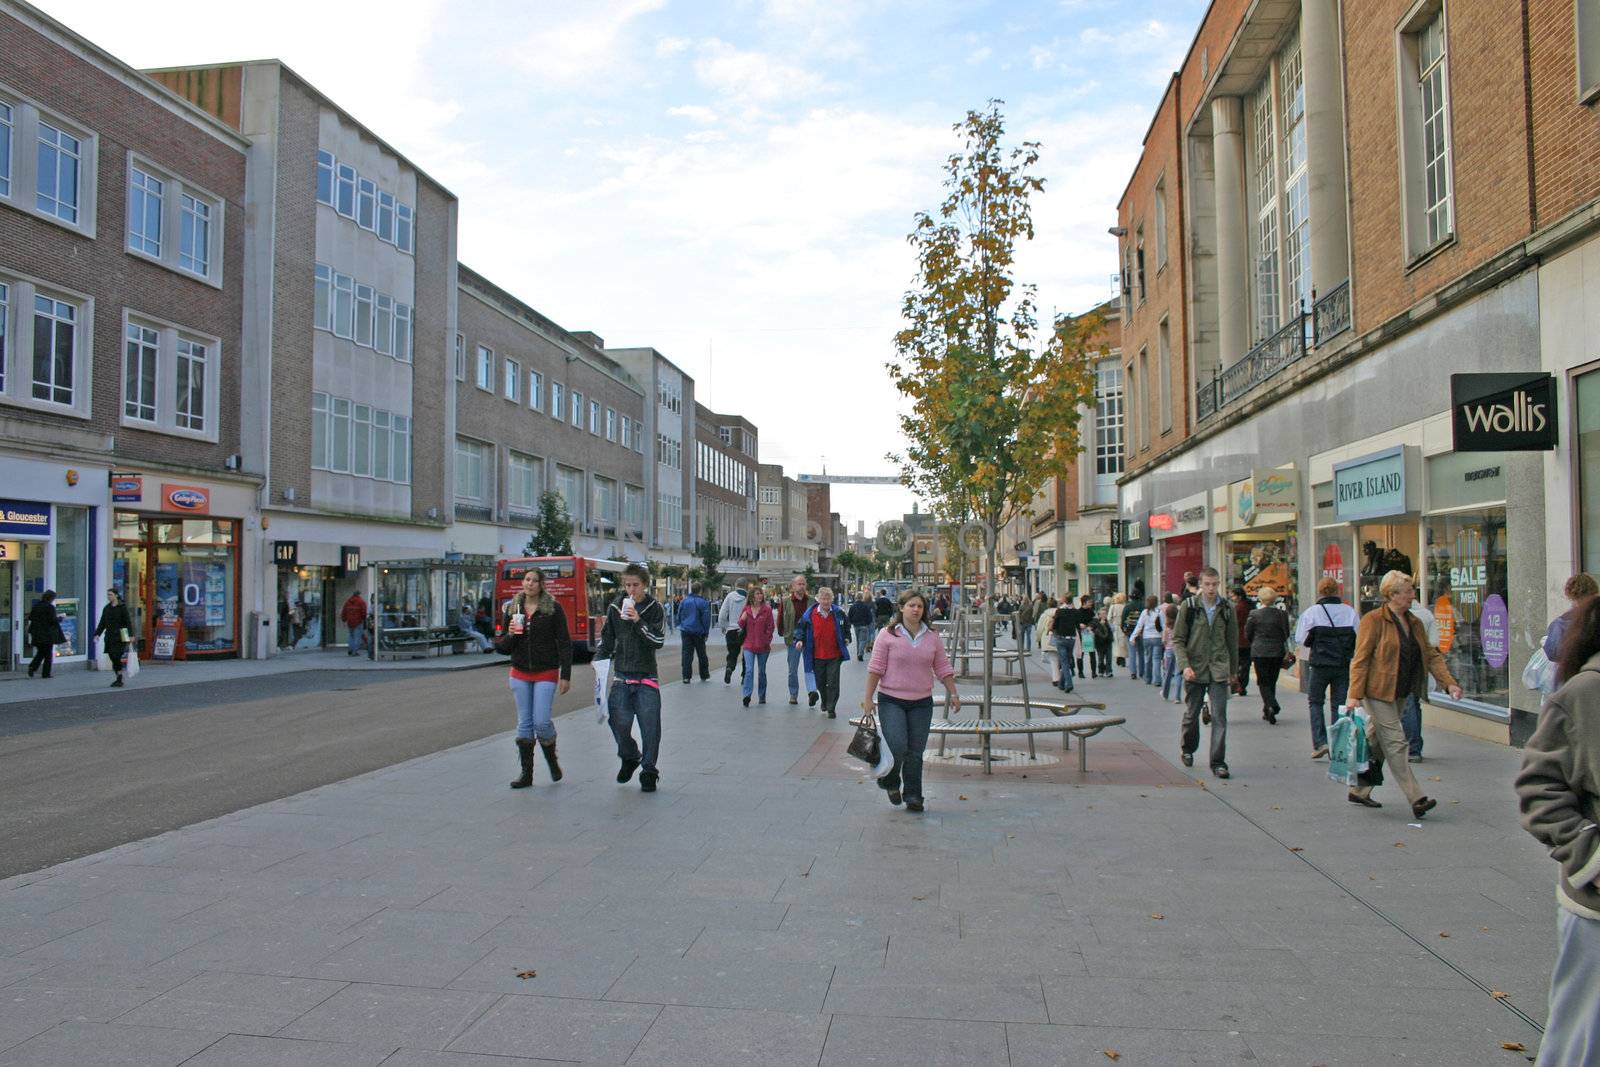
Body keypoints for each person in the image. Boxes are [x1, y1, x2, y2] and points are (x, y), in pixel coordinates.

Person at [1516, 593, 1600, 1065]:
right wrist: (1592, 858)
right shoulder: (1585, 694)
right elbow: (1539, 789)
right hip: (1597, 907)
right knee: (1582, 1038)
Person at [1344, 571, 1463, 817]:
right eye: (1408, 591)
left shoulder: (1414, 622)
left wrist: (1449, 683)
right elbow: (1361, 659)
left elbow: (1431, 655)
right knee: (1396, 742)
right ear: (1392, 595)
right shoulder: (1374, 620)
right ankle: (1416, 797)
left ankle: (1359, 790)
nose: (1412, 596)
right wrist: (1354, 694)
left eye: (1412, 591)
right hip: (1376, 691)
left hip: (1400, 691)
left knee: (1377, 740)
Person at [863, 589, 961, 813]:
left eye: (920, 606)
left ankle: (914, 795)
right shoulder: (888, 635)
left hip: (921, 702)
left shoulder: (932, 636)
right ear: (901, 608)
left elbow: (942, 667)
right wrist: (868, 699)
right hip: (891, 700)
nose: (916, 610)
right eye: (911, 605)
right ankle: (890, 781)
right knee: (898, 746)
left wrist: (953, 693)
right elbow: (875, 668)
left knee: (916, 752)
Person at [496, 568, 572, 789]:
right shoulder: (513, 608)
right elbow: (501, 647)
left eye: (534, 580)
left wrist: (565, 675)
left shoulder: (553, 609)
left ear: (541, 585)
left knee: (541, 721)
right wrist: (510, 633)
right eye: (527, 579)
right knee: (524, 723)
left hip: (546, 671)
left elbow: (564, 643)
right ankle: (526, 774)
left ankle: (551, 758)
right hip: (519, 671)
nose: (529, 584)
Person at [598, 563, 667, 792]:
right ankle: (630, 756)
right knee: (618, 721)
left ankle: (649, 770)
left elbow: (657, 641)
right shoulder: (615, 607)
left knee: (650, 727)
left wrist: (638, 620)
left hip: (646, 676)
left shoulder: (654, 608)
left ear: (645, 585)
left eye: (635, 585)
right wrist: (599, 661)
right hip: (622, 675)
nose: (631, 590)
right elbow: (607, 639)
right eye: (627, 585)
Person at [1174, 567, 1238, 779]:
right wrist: (1185, 666)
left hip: (1219, 668)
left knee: (1219, 716)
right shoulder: (1189, 606)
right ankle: (1188, 748)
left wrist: (1233, 671)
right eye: (1207, 584)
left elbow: (1232, 641)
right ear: (1200, 584)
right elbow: (1178, 639)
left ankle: (1218, 762)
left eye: (1215, 584)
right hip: (1195, 668)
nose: (1211, 588)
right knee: (1192, 714)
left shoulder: (1227, 608)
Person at [1295, 577, 1359, 759]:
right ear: (1338, 591)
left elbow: (1301, 638)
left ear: (1320, 592)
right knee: (1338, 704)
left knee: (1315, 702)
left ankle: (1320, 742)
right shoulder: (1349, 612)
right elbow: (1359, 635)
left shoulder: (1313, 612)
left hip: (1319, 664)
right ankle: (1337, 745)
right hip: (1342, 664)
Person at [797, 586, 851, 718]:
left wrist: (847, 638)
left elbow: (846, 627)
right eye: (823, 598)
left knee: (833, 681)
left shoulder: (838, 613)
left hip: (834, 655)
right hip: (816, 654)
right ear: (818, 599)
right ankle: (825, 700)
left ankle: (831, 708)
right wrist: (799, 640)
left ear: (832, 599)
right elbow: (800, 629)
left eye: (828, 598)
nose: (826, 601)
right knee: (820, 681)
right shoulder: (810, 614)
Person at [1544, 574, 1600, 689]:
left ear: (1570, 595)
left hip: (1573, 679)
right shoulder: (1594, 617)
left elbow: (1553, 653)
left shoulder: (1561, 622)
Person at [1244, 587, 1290, 724]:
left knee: (1263, 681)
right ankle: (1267, 708)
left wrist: (1255, 641)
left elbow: (1248, 633)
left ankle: (1271, 705)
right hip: (1277, 651)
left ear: (1260, 599)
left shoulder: (1254, 614)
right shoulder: (1282, 614)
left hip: (1259, 651)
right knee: (1272, 680)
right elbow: (1286, 633)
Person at [1404, 590, 1440, 762]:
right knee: (1414, 704)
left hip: (1403, 668)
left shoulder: (1405, 617)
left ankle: (1412, 747)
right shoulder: (1426, 615)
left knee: (1407, 706)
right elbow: (1433, 645)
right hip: (1420, 668)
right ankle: (1415, 745)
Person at [779, 575, 819, 707]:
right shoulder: (786, 601)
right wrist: (782, 632)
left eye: (803, 584)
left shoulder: (813, 601)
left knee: (810, 668)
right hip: (792, 640)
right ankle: (793, 694)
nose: (801, 586)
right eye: (799, 584)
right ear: (793, 586)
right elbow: (780, 618)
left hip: (809, 639)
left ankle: (812, 692)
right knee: (792, 669)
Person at [738, 583, 775, 706]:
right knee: (749, 670)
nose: (760, 595)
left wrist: (766, 640)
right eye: (757, 593)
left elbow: (770, 627)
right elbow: (740, 625)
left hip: (763, 646)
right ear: (752, 596)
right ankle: (747, 695)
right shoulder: (746, 609)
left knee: (762, 671)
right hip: (749, 645)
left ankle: (762, 695)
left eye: (761, 593)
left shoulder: (767, 609)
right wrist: (743, 619)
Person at [94, 590, 133, 688]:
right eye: (108, 595)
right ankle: (118, 674)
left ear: (116, 595)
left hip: (121, 635)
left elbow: (128, 622)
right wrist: (97, 634)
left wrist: (131, 635)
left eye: (110, 595)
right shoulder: (107, 608)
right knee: (112, 656)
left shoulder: (122, 607)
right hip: (110, 635)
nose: (109, 596)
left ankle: (119, 677)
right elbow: (102, 622)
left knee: (116, 655)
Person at [677, 582, 712, 684]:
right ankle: (704, 675)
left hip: (685, 630)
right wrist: (706, 632)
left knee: (686, 654)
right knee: (701, 654)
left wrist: (681, 624)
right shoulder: (702, 602)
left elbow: (679, 614)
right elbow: (706, 619)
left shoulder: (684, 601)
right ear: (700, 590)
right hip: (698, 631)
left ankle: (686, 676)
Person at [715, 583, 747, 684]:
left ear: (736, 586)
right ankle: (744, 676)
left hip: (731, 629)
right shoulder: (748, 597)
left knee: (733, 653)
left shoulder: (729, 596)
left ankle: (730, 667)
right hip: (745, 629)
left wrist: (723, 626)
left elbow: (723, 613)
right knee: (747, 654)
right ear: (746, 586)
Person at [26, 590, 61, 679]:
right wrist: (60, 619)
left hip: (36, 633)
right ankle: (45, 673)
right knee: (48, 655)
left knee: (41, 652)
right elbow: (53, 621)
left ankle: (33, 667)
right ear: (51, 598)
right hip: (46, 634)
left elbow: (30, 617)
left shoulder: (36, 606)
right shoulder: (50, 608)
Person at [1050, 595, 1079, 693]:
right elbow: (1078, 625)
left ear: (1064, 601)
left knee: (1064, 662)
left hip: (1061, 638)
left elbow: (1054, 625)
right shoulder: (1075, 612)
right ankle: (1061, 683)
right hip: (1072, 639)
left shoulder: (1059, 611)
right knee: (1067, 659)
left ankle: (1069, 683)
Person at [1132, 594, 1164, 686]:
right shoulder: (1159, 612)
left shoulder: (1144, 612)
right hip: (1157, 637)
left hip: (1146, 638)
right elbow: (1163, 625)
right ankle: (1157, 680)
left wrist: (1133, 637)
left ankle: (1148, 679)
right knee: (1156, 659)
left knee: (1147, 659)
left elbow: (1139, 625)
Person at [1159, 602, 1183, 703]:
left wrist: (1165, 646)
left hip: (1169, 650)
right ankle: (1177, 696)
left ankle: (1165, 692)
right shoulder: (1180, 625)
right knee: (1178, 673)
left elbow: (1164, 640)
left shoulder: (1167, 626)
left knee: (1168, 672)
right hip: (1178, 649)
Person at [1231, 585, 1253, 696]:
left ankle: (1238, 685)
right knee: (1246, 665)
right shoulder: (1250, 606)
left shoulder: (1238, 608)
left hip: (1239, 640)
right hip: (1249, 640)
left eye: (1233, 596)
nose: (1232, 598)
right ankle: (1243, 685)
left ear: (1239, 596)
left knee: (1238, 664)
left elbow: (1233, 624)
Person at [847, 592, 876, 661]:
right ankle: (860, 653)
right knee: (863, 640)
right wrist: (868, 623)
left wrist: (851, 623)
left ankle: (858, 654)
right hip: (864, 625)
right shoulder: (865, 606)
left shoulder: (852, 606)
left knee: (858, 640)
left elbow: (849, 616)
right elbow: (869, 616)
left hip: (856, 625)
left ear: (856, 597)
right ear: (862, 598)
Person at [340, 591, 369, 656]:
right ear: (359, 594)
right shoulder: (361, 602)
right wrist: (364, 619)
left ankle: (350, 649)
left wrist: (344, 619)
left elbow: (344, 611)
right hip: (358, 622)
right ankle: (355, 651)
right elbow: (364, 612)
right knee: (357, 637)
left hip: (349, 621)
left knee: (351, 636)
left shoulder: (347, 602)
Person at [1091, 609, 1114, 678]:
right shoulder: (1096, 622)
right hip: (1099, 643)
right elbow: (1094, 630)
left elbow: (1112, 630)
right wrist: (1101, 625)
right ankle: (1101, 671)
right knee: (1101, 658)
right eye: (1102, 614)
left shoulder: (1108, 622)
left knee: (1109, 657)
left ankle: (1108, 671)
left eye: (1105, 613)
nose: (1104, 615)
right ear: (1099, 615)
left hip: (1108, 642)